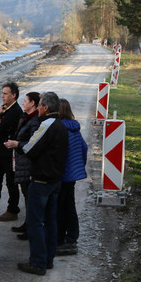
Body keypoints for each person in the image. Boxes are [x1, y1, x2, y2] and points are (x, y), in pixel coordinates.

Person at [14, 91, 68, 276]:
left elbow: (30, 148)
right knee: (50, 221)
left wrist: (17, 145)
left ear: (45, 107)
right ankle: (48, 259)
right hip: (55, 179)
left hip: (41, 180)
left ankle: (37, 263)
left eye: (39, 105)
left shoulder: (47, 124)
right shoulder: (61, 125)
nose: (37, 109)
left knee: (35, 223)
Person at [4, 91, 41, 238]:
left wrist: (17, 144)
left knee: (30, 197)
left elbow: (33, 143)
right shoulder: (26, 117)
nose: (23, 103)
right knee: (27, 196)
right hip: (22, 162)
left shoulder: (35, 120)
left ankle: (30, 228)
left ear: (32, 103)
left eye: (25, 101)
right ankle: (28, 224)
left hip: (28, 164)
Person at [56, 98, 88, 256]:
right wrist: (79, 165)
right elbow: (84, 147)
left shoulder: (60, 128)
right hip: (72, 174)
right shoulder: (75, 128)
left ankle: (61, 238)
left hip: (63, 173)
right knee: (69, 205)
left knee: (60, 207)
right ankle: (72, 237)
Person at [0, 82, 22, 221]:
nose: (2, 96)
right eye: (2, 93)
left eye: (5, 93)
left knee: (11, 182)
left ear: (13, 95)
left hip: (9, 153)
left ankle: (12, 210)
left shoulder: (15, 111)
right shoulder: (4, 108)